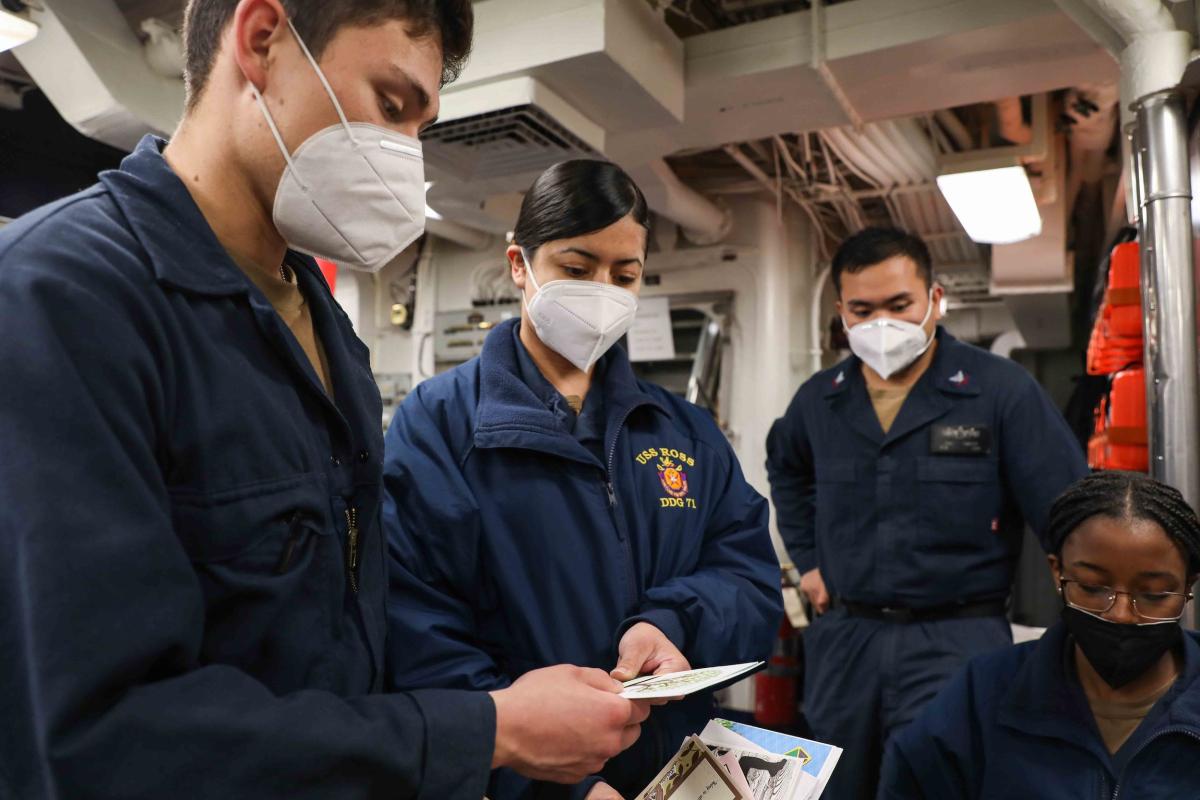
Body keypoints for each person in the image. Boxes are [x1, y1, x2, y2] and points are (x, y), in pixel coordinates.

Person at [0, 2, 651, 797]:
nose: (405, 157)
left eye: (421, 126)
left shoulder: (323, 327)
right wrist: (485, 730)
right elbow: (102, 737)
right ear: (263, 38)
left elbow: (339, 643)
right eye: (389, 105)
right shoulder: (60, 298)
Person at [382, 159, 783, 800]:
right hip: (522, 781)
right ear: (520, 265)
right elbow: (414, 627)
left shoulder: (683, 432)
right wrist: (551, 785)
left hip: (673, 773)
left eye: (624, 275)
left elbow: (748, 580)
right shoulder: (441, 426)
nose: (602, 291)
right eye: (576, 269)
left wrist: (674, 625)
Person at [765, 227, 1089, 800]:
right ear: (840, 312)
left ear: (935, 300)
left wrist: (1085, 631)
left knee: (937, 785)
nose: (880, 323)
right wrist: (810, 562)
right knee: (837, 788)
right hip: (847, 640)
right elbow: (785, 467)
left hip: (957, 636)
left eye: (899, 305)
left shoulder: (998, 391)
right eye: (862, 310)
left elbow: (1072, 515)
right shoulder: (819, 400)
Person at [880, 471, 1200, 799]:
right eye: (1091, 587)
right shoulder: (983, 696)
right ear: (1057, 571)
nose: (1120, 613)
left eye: (1154, 594)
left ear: (1188, 586)